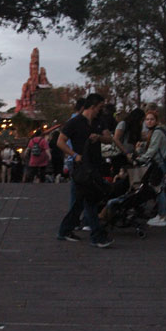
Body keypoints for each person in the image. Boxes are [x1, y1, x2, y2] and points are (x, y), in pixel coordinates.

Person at [56, 93, 114, 247]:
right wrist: (74, 155)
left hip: (95, 165)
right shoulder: (74, 122)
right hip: (81, 166)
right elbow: (60, 142)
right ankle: (97, 235)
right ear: (92, 107)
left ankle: (64, 230)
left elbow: (109, 139)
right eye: (99, 108)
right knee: (89, 200)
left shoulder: (98, 122)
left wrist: (99, 138)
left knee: (80, 200)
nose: (100, 111)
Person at [132, 110, 166, 227]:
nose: (149, 121)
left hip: (159, 164)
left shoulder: (157, 133)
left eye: (152, 119)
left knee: (158, 189)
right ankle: (160, 214)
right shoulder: (153, 132)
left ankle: (162, 216)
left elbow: (152, 150)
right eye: (147, 119)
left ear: (156, 121)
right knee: (156, 188)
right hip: (157, 163)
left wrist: (140, 158)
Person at [113, 108, 145, 173]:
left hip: (130, 155)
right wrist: (126, 152)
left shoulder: (135, 129)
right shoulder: (123, 124)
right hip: (120, 155)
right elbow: (116, 139)